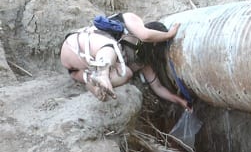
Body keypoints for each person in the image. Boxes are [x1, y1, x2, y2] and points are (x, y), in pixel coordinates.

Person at [60, 12, 191, 110]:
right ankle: (102, 75)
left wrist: (180, 101)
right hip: (77, 46)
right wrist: (169, 35)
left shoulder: (142, 61)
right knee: (112, 46)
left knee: (127, 73)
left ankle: (94, 84)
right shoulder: (131, 20)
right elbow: (145, 35)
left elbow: (157, 87)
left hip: (79, 72)